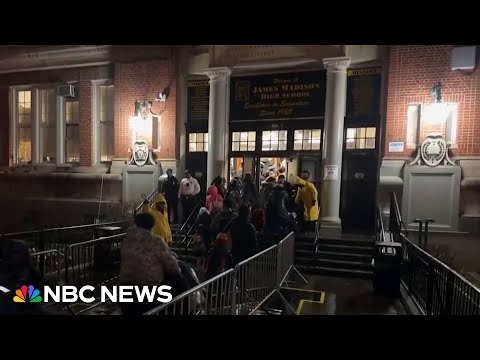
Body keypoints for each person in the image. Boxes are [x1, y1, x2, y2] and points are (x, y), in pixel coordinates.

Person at [119, 213, 186, 316]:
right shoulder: (155, 241)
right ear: (152, 225)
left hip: (124, 288)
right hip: (148, 291)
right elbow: (173, 267)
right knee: (179, 281)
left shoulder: (127, 239)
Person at [0, 239, 55, 315]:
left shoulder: (30, 273)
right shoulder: (5, 273)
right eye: (13, 252)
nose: (15, 256)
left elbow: (46, 288)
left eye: (17, 252)